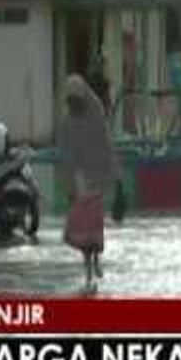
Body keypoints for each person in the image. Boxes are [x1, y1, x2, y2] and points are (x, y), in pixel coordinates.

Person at [58, 74, 121, 292]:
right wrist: (69, 185)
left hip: (97, 175)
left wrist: (115, 175)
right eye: (71, 100)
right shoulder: (67, 121)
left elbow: (107, 145)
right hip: (80, 176)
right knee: (82, 227)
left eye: (76, 99)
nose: (73, 103)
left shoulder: (96, 114)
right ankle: (88, 268)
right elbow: (66, 155)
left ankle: (95, 261)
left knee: (94, 225)